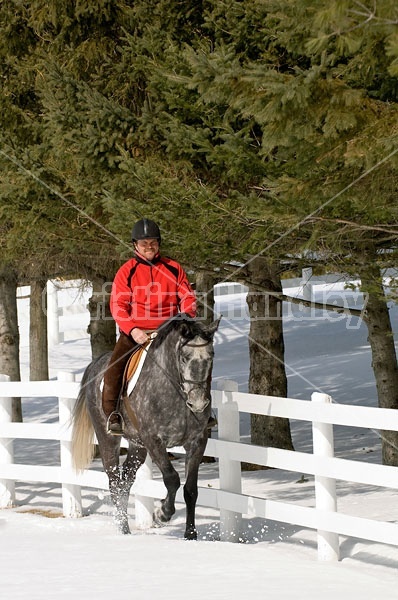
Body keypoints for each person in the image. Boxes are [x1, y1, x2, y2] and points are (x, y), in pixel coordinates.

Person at [102, 218, 197, 435]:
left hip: (171, 330)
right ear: (135, 245)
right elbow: (118, 305)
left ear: (159, 243)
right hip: (137, 332)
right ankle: (112, 414)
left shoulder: (173, 268)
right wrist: (133, 330)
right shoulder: (127, 271)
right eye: (144, 244)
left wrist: (186, 314)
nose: (149, 247)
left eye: (153, 242)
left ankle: (201, 409)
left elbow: (187, 296)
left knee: (198, 357)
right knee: (114, 368)